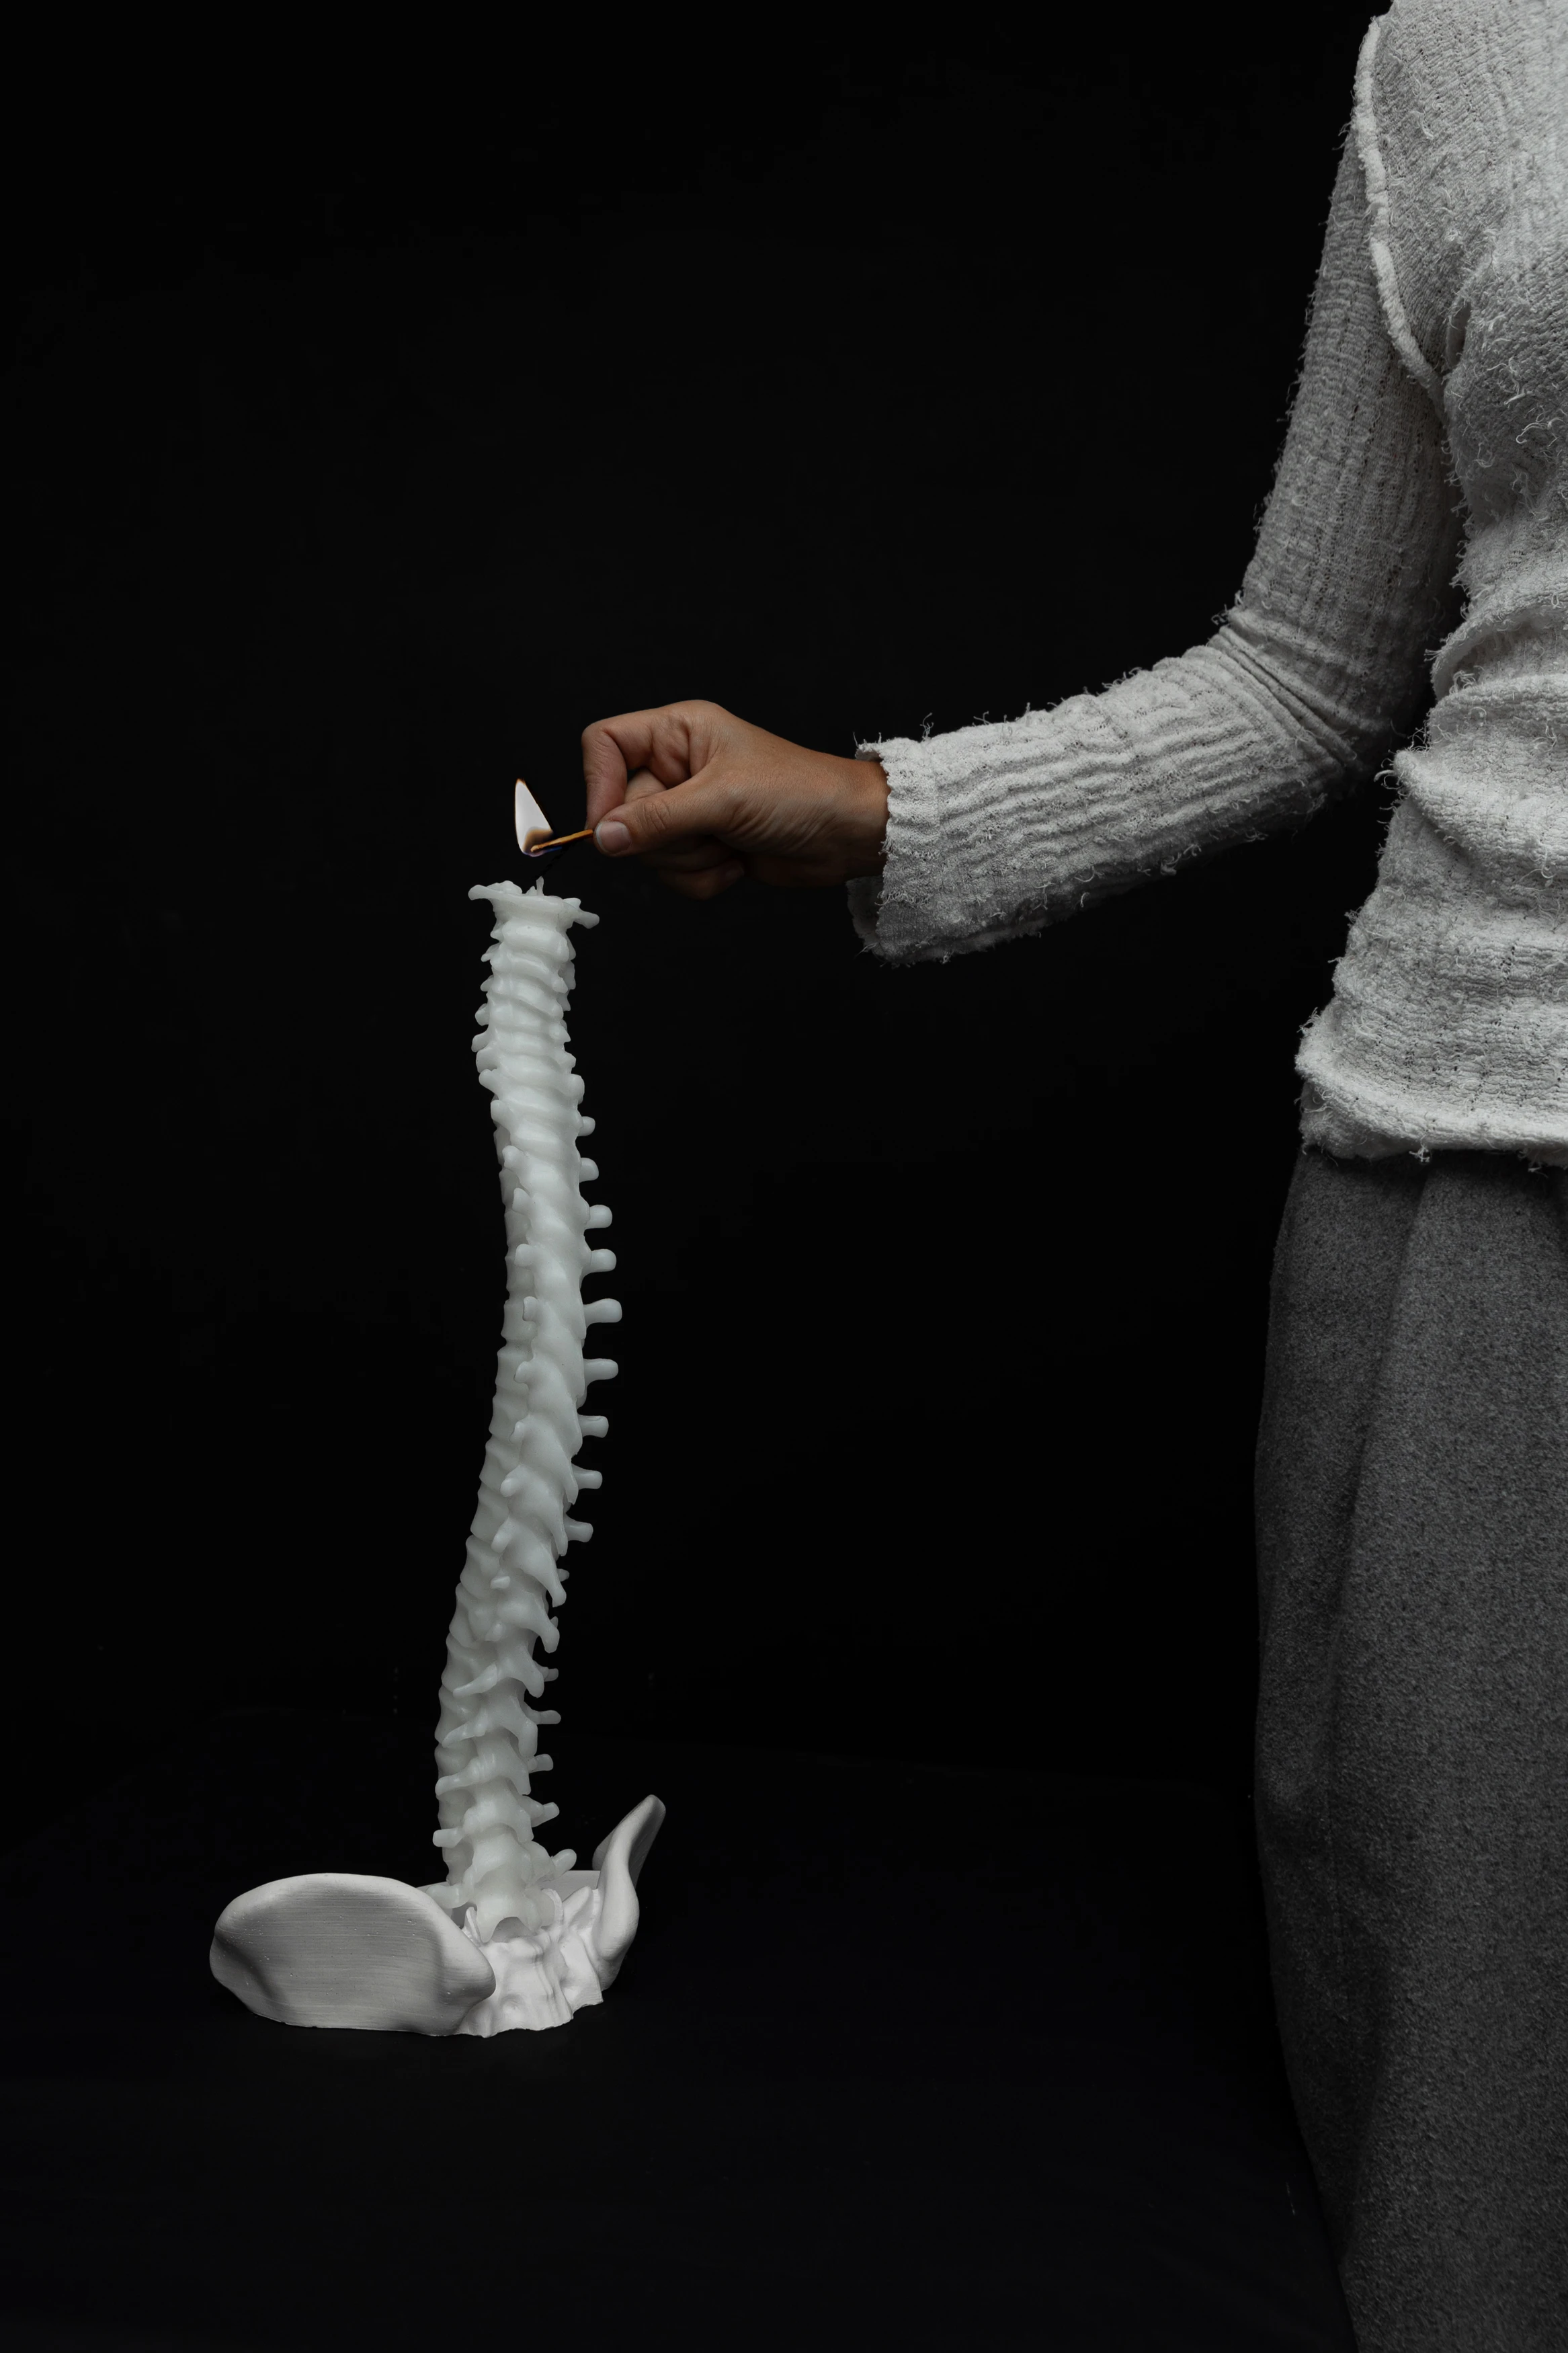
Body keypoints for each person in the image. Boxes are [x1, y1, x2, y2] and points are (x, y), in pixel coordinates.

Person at [578, 6, 1567, 2347]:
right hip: (1478, 1208)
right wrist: (871, 808)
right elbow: (1305, 671)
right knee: (1474, 2205)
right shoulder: (1457, 51)